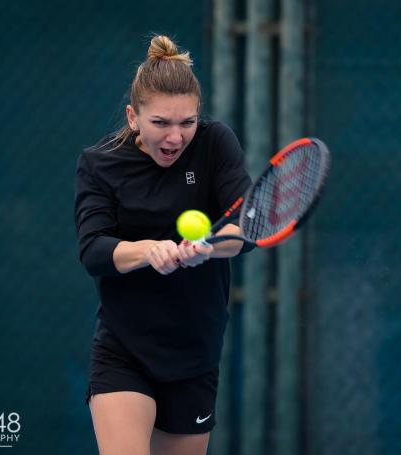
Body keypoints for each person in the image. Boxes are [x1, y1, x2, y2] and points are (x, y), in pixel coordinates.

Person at [74, 35, 252, 455]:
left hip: (195, 350)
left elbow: (244, 227)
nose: (175, 137)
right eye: (161, 123)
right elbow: (93, 249)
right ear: (134, 117)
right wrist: (149, 250)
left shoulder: (215, 144)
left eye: (187, 122)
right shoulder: (100, 163)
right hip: (124, 348)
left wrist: (208, 246)